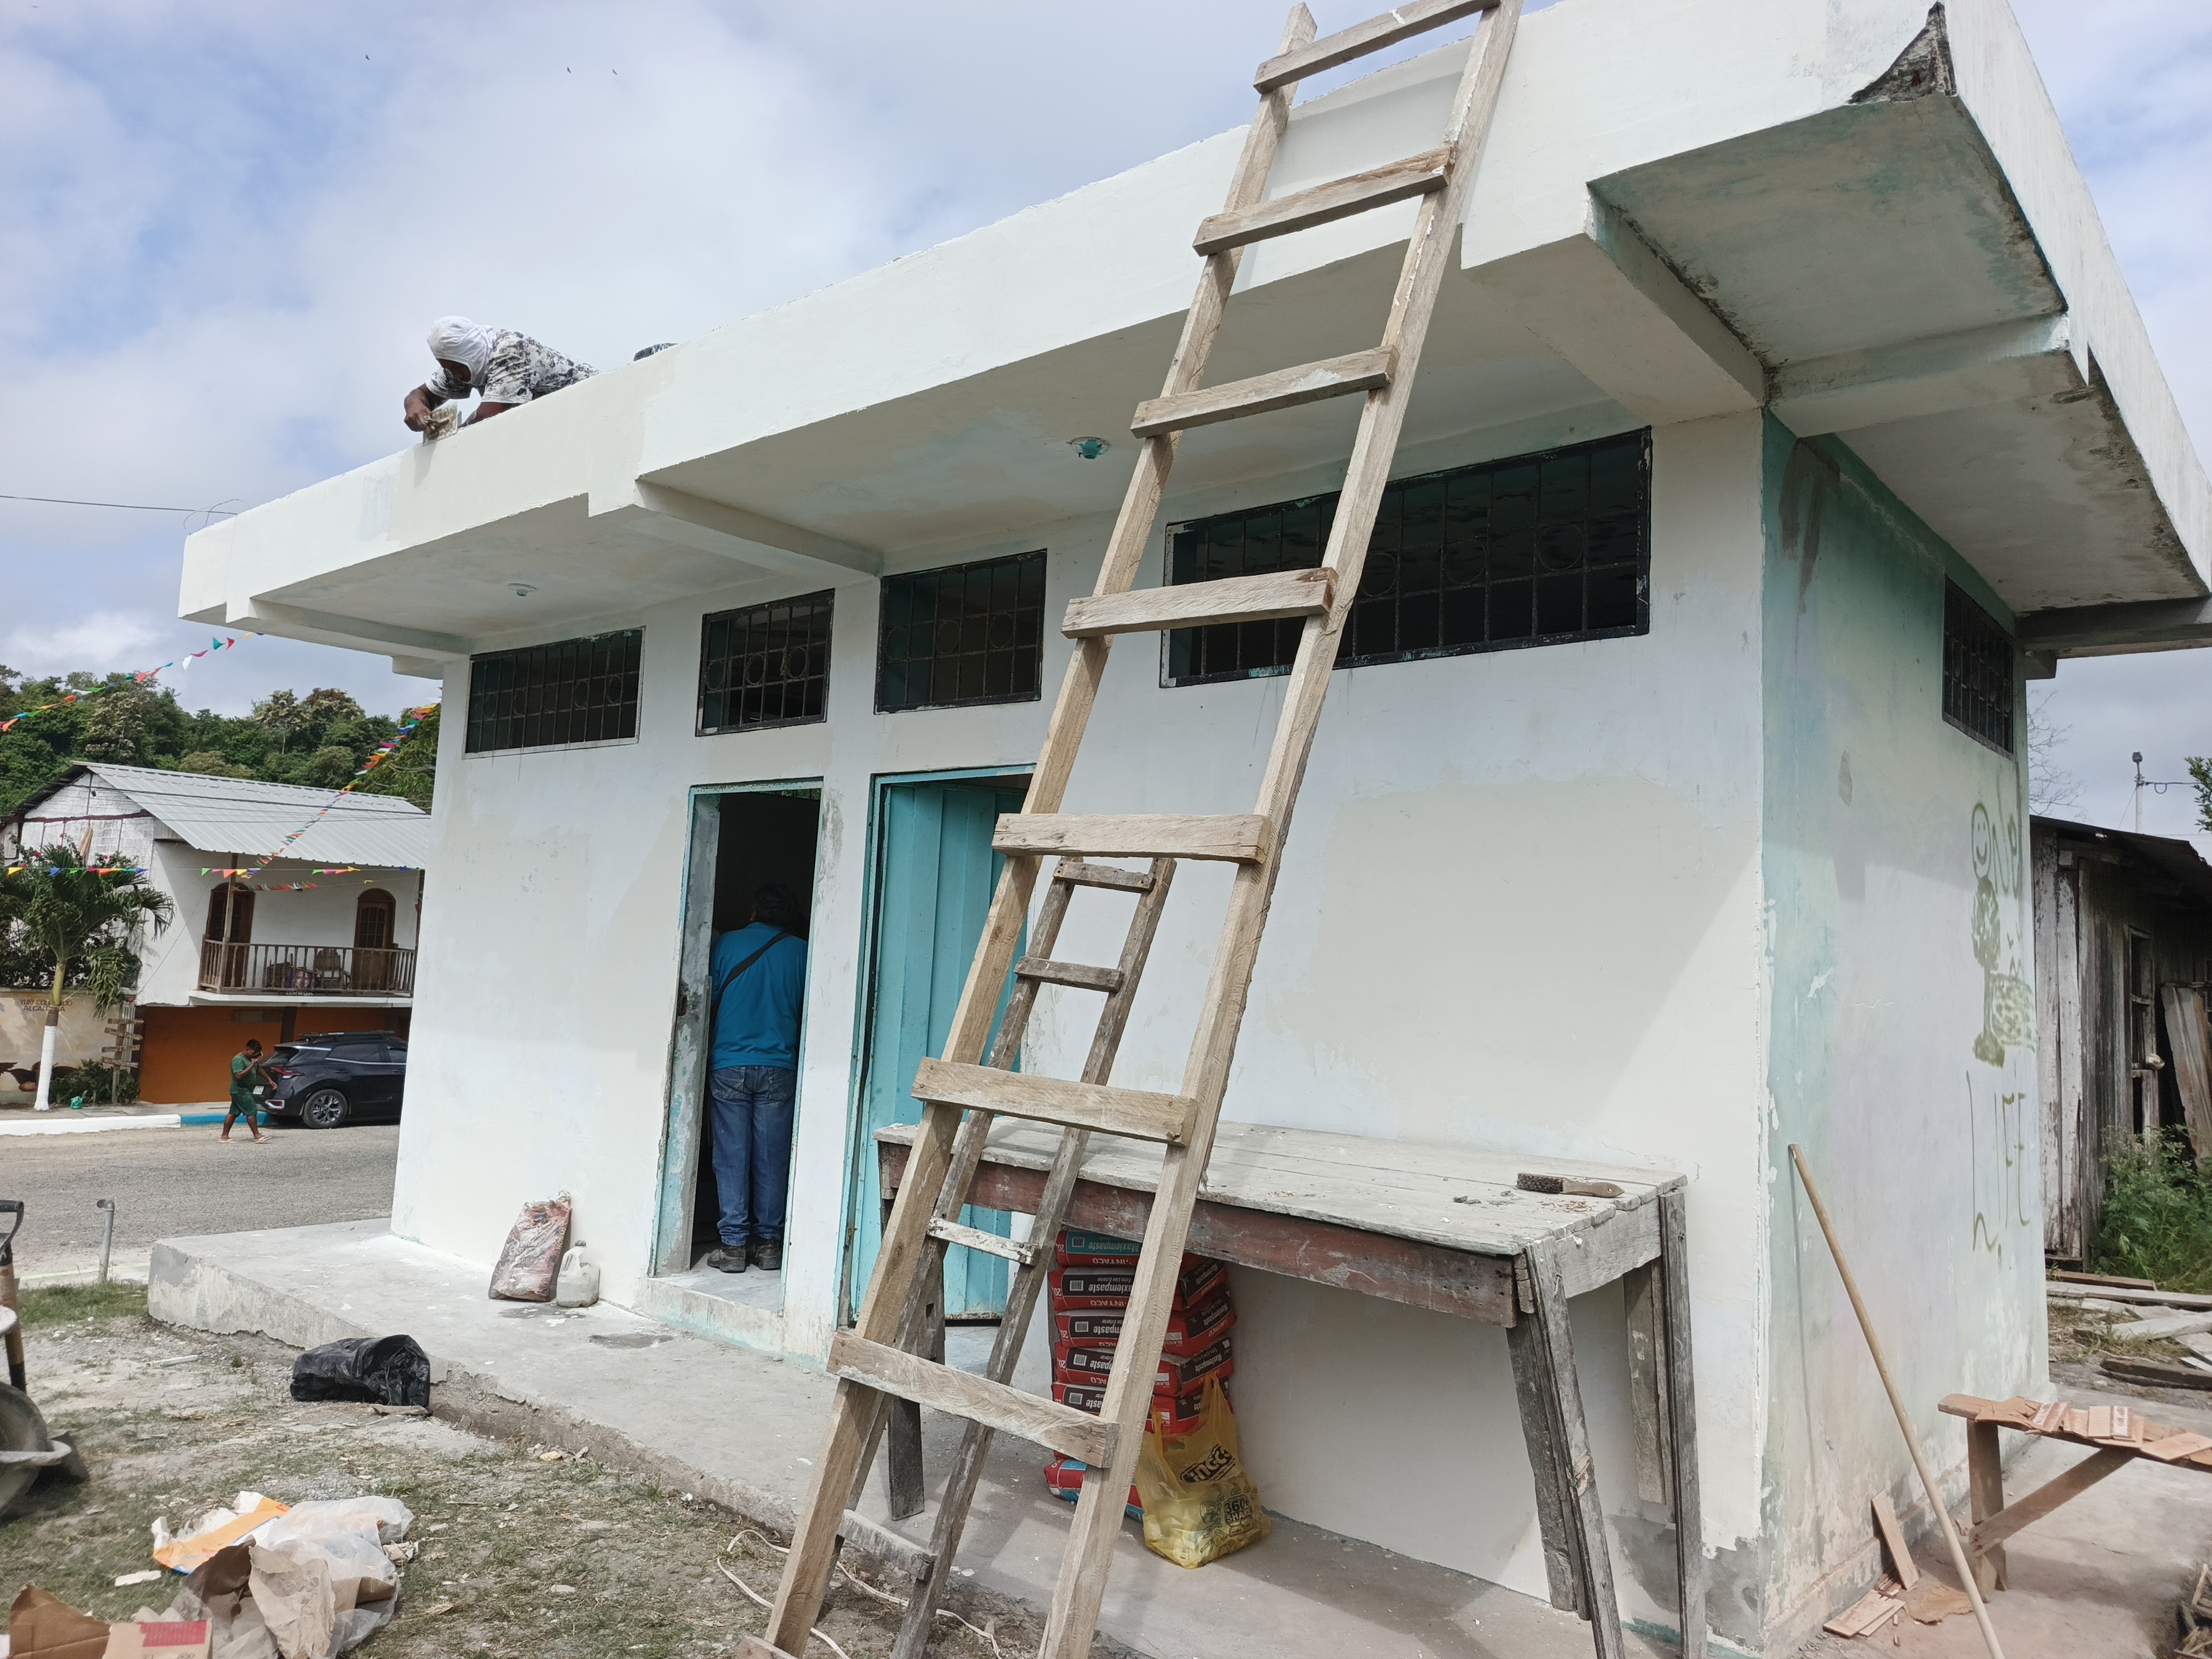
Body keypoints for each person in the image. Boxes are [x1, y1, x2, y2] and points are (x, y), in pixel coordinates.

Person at [705, 883, 808, 1273]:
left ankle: (733, 1247)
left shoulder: (727, 944)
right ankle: (768, 1246)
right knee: (772, 1155)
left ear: (753, 911)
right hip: (780, 1066)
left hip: (729, 1064)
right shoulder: (802, 952)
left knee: (731, 1154)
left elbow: (708, 997)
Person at [402, 317, 595, 433]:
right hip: (563, 423)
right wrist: (415, 406)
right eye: (448, 369)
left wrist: (448, 437)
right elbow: (421, 394)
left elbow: (490, 416)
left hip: (593, 405)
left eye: (457, 367)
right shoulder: (460, 366)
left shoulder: (510, 349)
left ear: (472, 353)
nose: (457, 376)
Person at [224, 1040, 273, 1144]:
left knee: (233, 1113)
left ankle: (224, 1137)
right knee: (251, 1110)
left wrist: (269, 1080)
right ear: (247, 1049)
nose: (254, 1055)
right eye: (253, 1053)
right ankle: (257, 1135)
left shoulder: (251, 1059)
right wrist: (252, 1065)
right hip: (240, 1090)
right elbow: (239, 1076)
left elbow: (259, 1070)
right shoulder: (238, 1060)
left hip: (245, 1089)